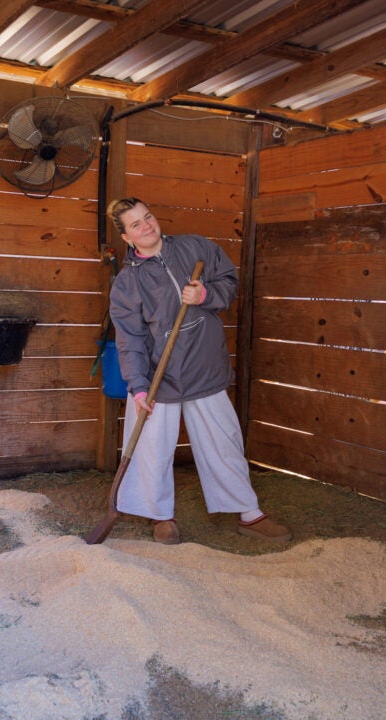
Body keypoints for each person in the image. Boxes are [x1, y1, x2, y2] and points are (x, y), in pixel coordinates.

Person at [107, 197, 291, 545]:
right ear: (126, 238)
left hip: (204, 367)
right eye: (135, 224)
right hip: (159, 376)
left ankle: (248, 513)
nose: (146, 226)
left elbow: (228, 283)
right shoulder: (127, 283)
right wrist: (139, 387)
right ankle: (160, 515)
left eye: (147, 217)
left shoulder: (195, 248)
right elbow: (129, 339)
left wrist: (206, 294)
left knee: (223, 442)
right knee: (151, 446)